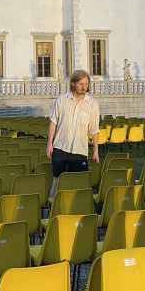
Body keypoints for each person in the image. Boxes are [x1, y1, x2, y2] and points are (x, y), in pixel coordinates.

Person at [46, 69, 100, 198]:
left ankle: (76, 210)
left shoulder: (92, 104)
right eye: (81, 84)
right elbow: (53, 121)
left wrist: (96, 150)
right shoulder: (61, 100)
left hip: (80, 150)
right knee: (57, 182)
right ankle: (52, 209)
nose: (83, 87)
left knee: (78, 184)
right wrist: (49, 144)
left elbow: (94, 129)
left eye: (86, 84)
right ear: (73, 84)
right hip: (60, 147)